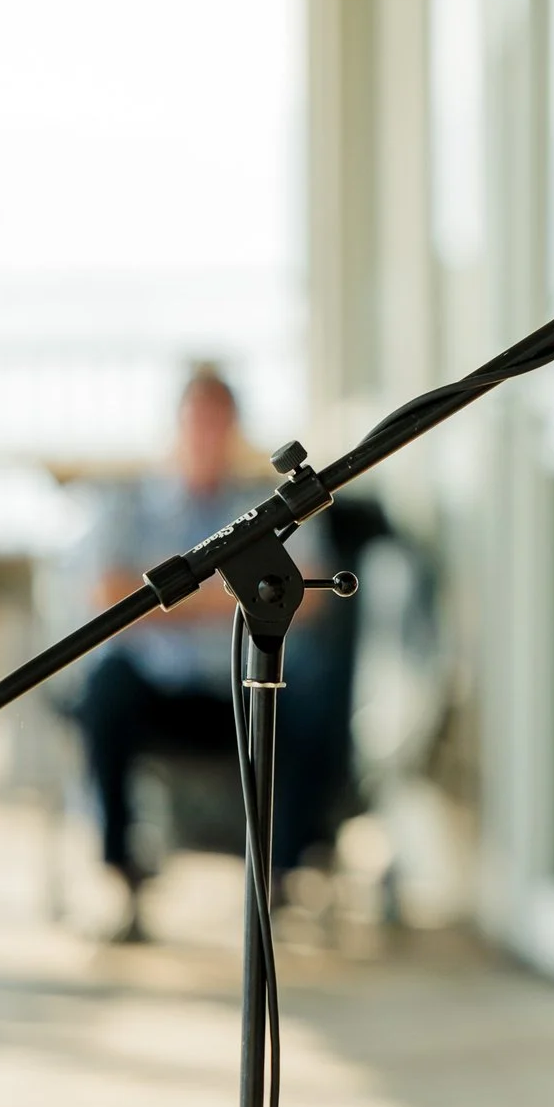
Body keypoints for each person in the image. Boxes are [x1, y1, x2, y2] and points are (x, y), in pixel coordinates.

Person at [71, 364, 353, 943]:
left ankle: (282, 871)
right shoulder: (133, 504)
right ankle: (121, 868)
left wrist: (177, 600)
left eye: (217, 423)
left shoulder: (264, 506)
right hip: (164, 692)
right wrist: (235, 596)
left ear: (234, 429)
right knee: (105, 684)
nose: (205, 435)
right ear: (178, 426)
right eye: (196, 422)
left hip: (249, 691)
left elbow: (312, 594)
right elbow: (106, 597)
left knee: (319, 686)